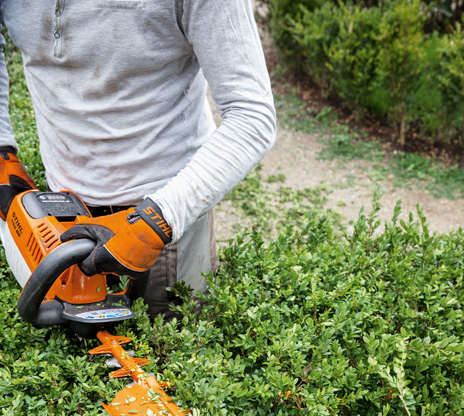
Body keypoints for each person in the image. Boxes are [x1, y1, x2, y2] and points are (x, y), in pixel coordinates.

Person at [0, 0, 276, 320]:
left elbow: (252, 115)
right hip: (58, 215)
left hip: (164, 227)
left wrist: (156, 222)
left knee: (170, 359)